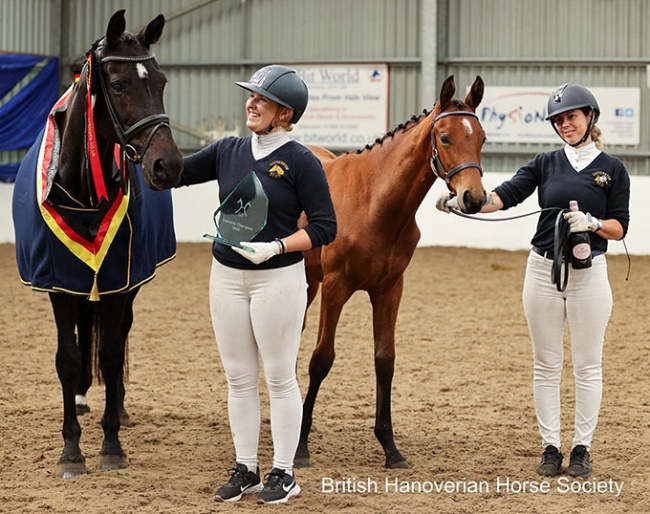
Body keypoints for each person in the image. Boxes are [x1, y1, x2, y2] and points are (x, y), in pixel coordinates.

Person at [437, 83, 630, 478]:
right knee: (546, 364)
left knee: (587, 365)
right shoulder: (544, 163)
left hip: (588, 273)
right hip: (543, 269)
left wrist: (593, 223)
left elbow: (620, 228)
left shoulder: (612, 169)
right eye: (559, 120)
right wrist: (462, 201)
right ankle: (550, 446)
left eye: (571, 117)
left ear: (589, 118)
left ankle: (581, 448)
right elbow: (502, 197)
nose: (565, 125)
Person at [177, 65, 337, 504]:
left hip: (278, 279)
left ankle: (283, 473)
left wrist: (279, 247)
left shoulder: (302, 161)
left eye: (261, 99)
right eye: (250, 96)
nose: (251, 102)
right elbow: (172, 172)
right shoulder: (227, 150)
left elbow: (326, 227)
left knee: (280, 377)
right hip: (225, 277)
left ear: (284, 113)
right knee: (238, 377)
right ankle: (246, 467)